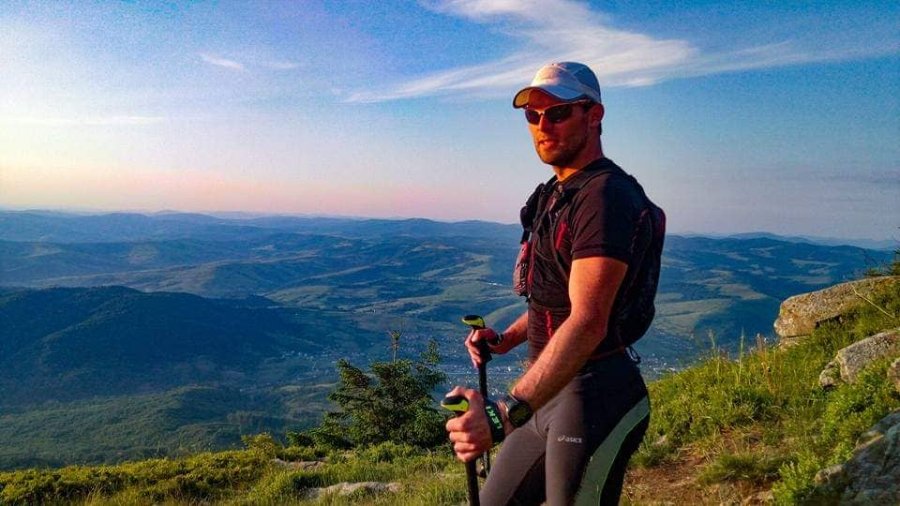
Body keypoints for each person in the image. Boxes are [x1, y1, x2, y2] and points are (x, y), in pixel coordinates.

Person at [445, 61, 665, 505]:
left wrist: (503, 413)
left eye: (558, 113)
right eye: (533, 115)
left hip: (596, 393)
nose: (543, 126)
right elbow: (557, 302)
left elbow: (588, 321)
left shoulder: (604, 197)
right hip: (547, 391)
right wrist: (507, 339)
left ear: (594, 115)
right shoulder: (557, 193)